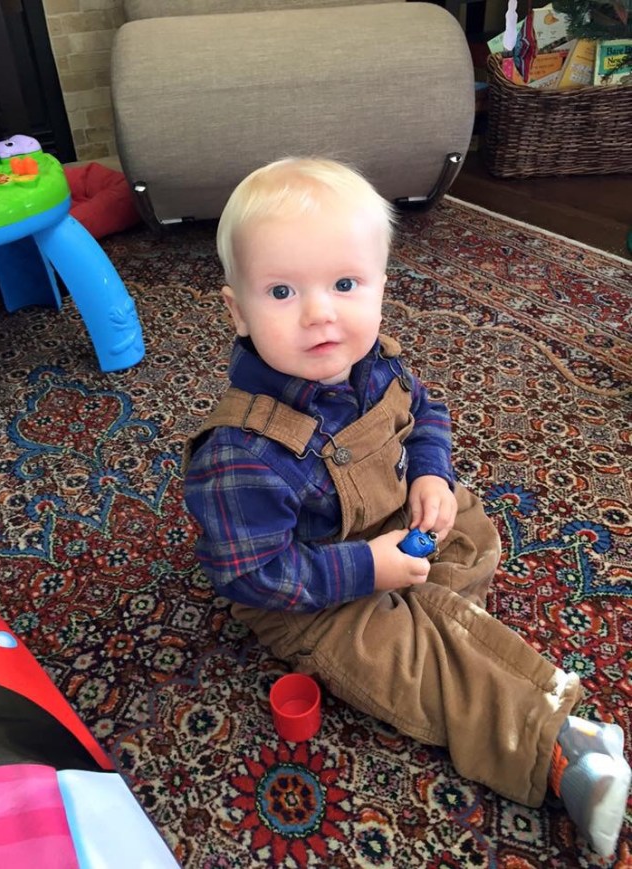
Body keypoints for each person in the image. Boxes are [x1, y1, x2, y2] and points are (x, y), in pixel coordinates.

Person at [183, 157, 630, 857]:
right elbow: (250, 575)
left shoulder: (376, 363)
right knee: (398, 660)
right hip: (309, 591)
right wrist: (367, 570)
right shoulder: (240, 452)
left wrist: (431, 476)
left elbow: (426, 415)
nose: (320, 313)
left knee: (472, 529)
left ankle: (433, 621)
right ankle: (558, 749)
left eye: (344, 284)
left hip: (388, 521)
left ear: (381, 286)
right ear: (237, 310)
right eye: (281, 291)